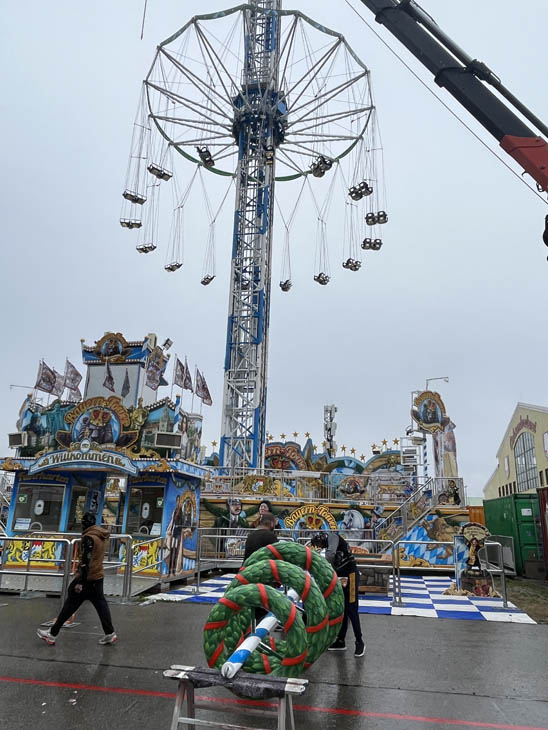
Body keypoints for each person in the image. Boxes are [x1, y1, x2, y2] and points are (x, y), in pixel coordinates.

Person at [36, 512, 117, 646]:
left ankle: (52, 634)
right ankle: (110, 633)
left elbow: (86, 560)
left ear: (84, 523)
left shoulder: (89, 538)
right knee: (101, 605)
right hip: (98, 576)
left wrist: (80, 581)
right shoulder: (101, 536)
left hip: (87, 578)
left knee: (71, 603)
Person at [310, 531, 365, 657]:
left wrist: (317, 560)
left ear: (322, 538)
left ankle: (359, 642)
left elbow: (330, 556)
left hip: (350, 575)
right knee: (342, 608)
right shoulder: (329, 543)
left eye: (319, 544)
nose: (320, 547)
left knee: (352, 609)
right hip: (341, 576)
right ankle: (341, 640)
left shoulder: (333, 538)